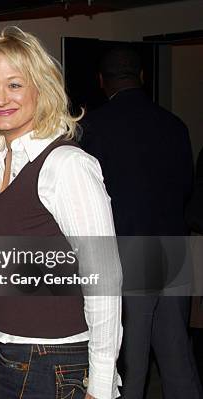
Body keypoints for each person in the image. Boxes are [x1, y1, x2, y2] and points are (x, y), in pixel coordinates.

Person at [0, 27, 122, 399]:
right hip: (8, 356)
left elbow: (105, 279)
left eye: (15, 84)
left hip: (54, 361)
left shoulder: (66, 164)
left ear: (41, 89)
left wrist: (100, 385)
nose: (0, 98)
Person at [80, 46, 202, 398]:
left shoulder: (94, 127)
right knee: (177, 356)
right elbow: (185, 188)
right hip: (174, 248)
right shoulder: (174, 124)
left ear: (102, 81)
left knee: (129, 365)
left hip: (127, 251)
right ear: (142, 77)